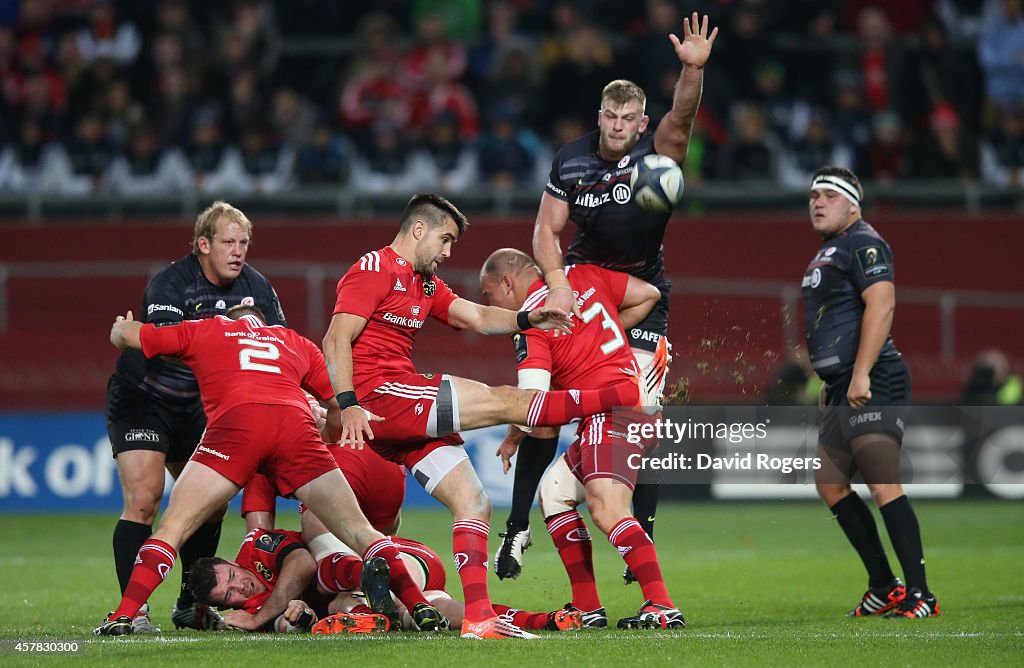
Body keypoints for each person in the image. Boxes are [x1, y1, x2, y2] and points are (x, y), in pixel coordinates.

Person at [322, 193, 665, 640]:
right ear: (419, 230)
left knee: (474, 501)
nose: (448, 253)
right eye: (445, 240)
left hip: (399, 411)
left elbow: (479, 317)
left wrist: (528, 318)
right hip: (382, 396)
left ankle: (479, 619)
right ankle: (628, 391)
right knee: (505, 399)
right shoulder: (373, 268)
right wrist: (348, 404)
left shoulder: (424, 283)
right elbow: (335, 339)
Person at [496, 11, 718, 583]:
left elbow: (683, 114)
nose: (618, 125)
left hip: (644, 294)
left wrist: (691, 71)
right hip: (582, 284)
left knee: (641, 410)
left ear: (642, 122)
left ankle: (639, 527)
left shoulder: (660, 151)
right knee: (540, 405)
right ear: (599, 116)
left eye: (628, 118)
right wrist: (562, 283)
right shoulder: (570, 159)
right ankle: (517, 527)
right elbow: (546, 229)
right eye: (610, 115)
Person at [94, 306, 445, 636]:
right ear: (265, 324)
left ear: (230, 319)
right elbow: (339, 400)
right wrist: (329, 435)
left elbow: (137, 336)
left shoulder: (210, 329)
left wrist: (120, 331)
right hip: (295, 426)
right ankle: (418, 606)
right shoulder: (294, 341)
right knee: (359, 530)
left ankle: (125, 615)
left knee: (173, 527)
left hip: (237, 426)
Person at [104, 201, 287, 633]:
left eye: (243, 242)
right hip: (145, 399)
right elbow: (169, 344)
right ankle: (136, 611)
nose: (237, 251)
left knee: (210, 506)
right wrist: (230, 335)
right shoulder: (170, 285)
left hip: (201, 407)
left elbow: (279, 344)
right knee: (145, 499)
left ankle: (190, 601)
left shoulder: (258, 287)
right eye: (228, 242)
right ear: (202, 245)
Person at [480, 248, 682, 630]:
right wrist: (602, 340)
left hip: (611, 414)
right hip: (631, 407)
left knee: (606, 508)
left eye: (489, 295)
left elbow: (533, 399)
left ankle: (661, 604)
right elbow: (648, 294)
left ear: (507, 283)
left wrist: (509, 426)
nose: (490, 304)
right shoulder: (583, 276)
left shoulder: (536, 320)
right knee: (555, 492)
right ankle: (588, 606)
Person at [802, 166, 939, 619]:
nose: (817, 203)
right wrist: (832, 381)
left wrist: (860, 373)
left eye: (827, 196)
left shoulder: (864, 241)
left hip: (874, 377)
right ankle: (884, 584)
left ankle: (922, 594)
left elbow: (883, 302)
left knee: (882, 482)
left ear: (852, 204)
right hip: (843, 386)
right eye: (813, 196)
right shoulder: (831, 249)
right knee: (831, 484)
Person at [188, 528, 581, 636]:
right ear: (228, 606)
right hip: (418, 582)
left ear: (230, 562)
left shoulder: (257, 547)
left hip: (393, 557)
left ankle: (366, 598)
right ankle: (543, 620)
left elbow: (301, 561)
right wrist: (298, 617)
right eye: (232, 595)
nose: (242, 587)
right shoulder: (248, 611)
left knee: (327, 568)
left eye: (234, 577)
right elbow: (286, 618)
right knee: (443, 613)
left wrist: (272, 613)